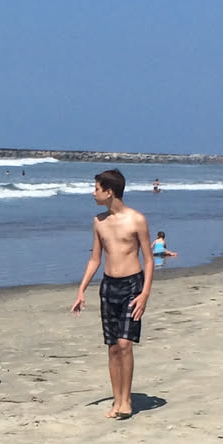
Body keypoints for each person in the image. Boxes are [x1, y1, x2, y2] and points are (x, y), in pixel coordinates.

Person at [71, 168, 154, 420]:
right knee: (113, 347)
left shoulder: (136, 219)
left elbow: (149, 259)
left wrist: (145, 293)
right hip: (109, 286)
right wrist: (81, 289)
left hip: (132, 285)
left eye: (96, 189)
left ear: (109, 192)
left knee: (125, 344)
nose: (93, 193)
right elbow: (95, 258)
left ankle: (126, 400)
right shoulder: (99, 221)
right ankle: (117, 400)